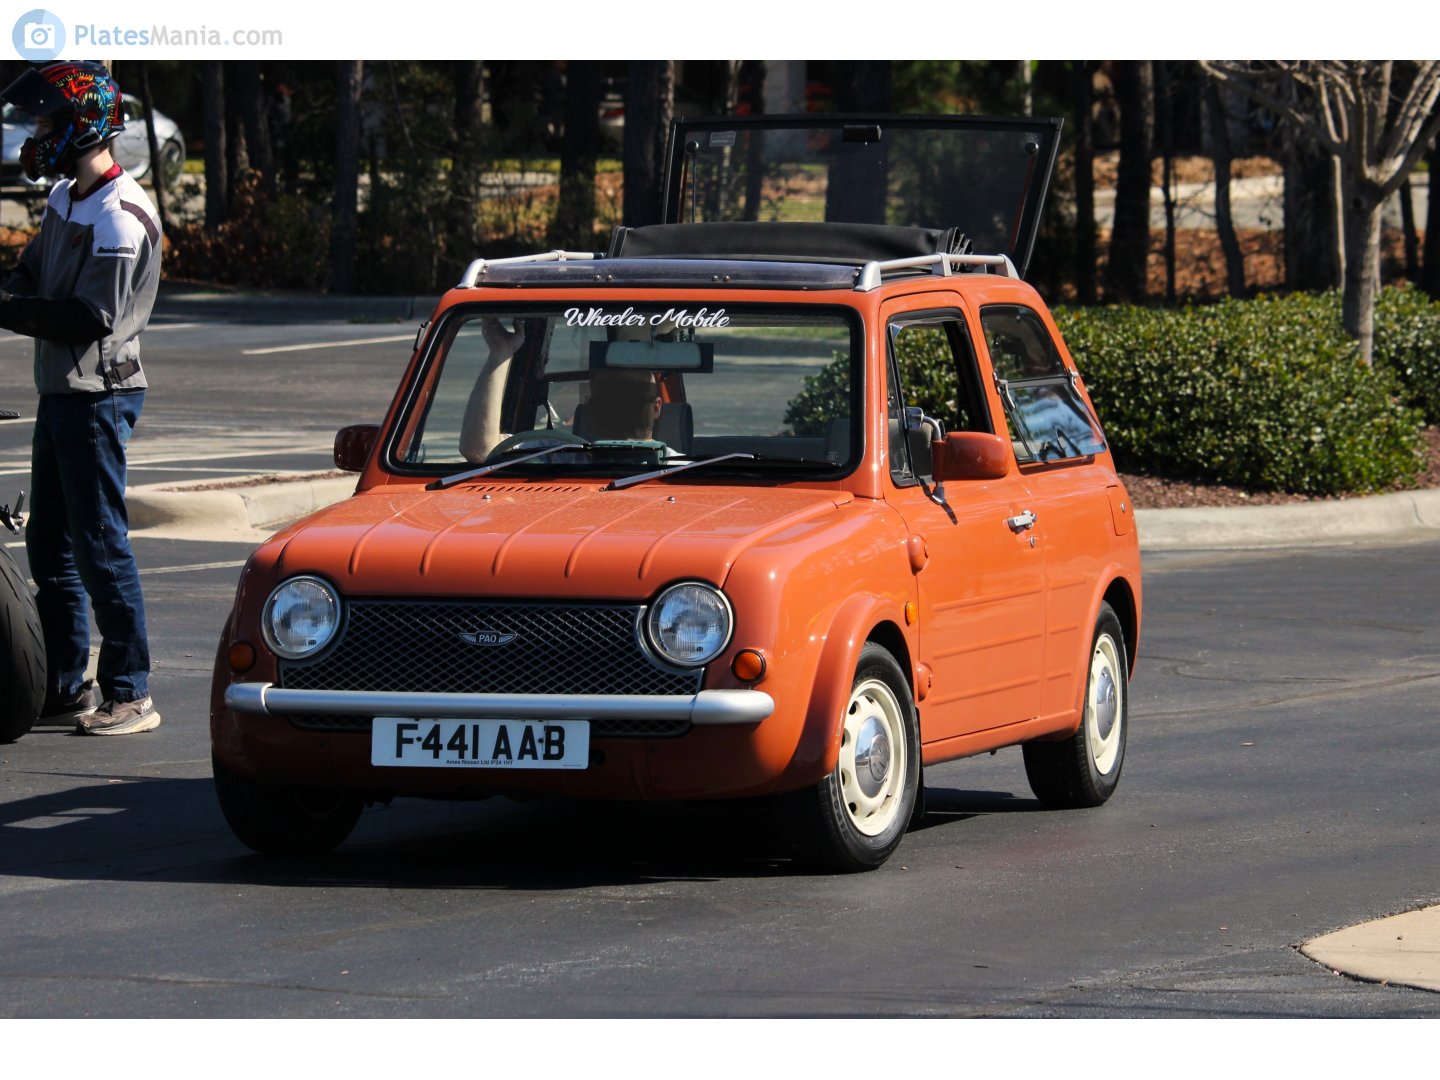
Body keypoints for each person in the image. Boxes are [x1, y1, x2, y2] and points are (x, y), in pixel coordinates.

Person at [0, 61, 163, 736]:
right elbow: (33, 270)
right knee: (49, 544)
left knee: (100, 545)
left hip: (100, 396)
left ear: (81, 126)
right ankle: (66, 683)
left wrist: (5, 309)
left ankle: (130, 691)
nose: (37, 136)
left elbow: (86, 318)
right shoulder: (69, 197)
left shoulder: (121, 220)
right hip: (61, 391)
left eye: (45, 124)